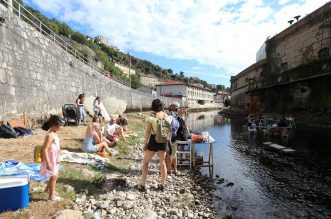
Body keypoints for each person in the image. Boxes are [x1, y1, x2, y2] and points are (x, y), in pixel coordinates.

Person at [138, 99, 172, 192]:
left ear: (153, 106)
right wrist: (169, 143)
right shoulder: (167, 116)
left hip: (154, 140)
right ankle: (162, 185)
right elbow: (168, 132)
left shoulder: (152, 116)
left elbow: (148, 131)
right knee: (162, 163)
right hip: (163, 141)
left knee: (145, 163)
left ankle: (143, 185)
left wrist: (145, 143)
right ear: (162, 106)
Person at [40, 115, 65, 202]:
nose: (61, 127)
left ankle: (48, 189)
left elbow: (56, 147)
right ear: (55, 124)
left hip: (54, 159)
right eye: (60, 125)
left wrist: (58, 157)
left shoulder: (55, 134)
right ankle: (51, 196)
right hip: (50, 159)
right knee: (54, 176)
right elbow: (45, 149)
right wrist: (48, 163)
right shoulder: (50, 135)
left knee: (54, 175)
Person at [167, 102, 187, 175]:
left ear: (174, 107)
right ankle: (175, 170)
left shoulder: (170, 114)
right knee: (174, 154)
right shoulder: (177, 116)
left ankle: (169, 170)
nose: (170, 106)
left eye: (171, 105)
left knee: (169, 154)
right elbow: (181, 126)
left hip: (169, 136)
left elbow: (167, 125)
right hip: (175, 136)